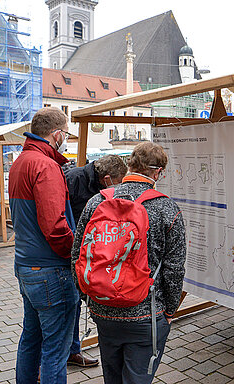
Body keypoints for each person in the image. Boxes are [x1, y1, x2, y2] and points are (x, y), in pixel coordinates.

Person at [71, 142, 186, 383]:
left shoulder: (96, 202)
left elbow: (77, 256)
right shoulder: (166, 208)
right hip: (146, 313)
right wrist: (169, 310)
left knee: (111, 377)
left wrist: (90, 297)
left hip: (103, 310)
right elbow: (174, 268)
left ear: (130, 165)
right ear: (158, 173)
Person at [9, 107, 78, 384]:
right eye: (67, 134)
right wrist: (76, 254)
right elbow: (56, 227)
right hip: (51, 270)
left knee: (31, 339)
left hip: (26, 266)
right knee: (55, 351)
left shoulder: (21, 160)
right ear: (57, 134)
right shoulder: (45, 166)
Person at [64, 154, 127, 367]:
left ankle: (73, 351)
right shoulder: (73, 179)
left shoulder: (101, 183)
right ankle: (63, 353)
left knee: (76, 304)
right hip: (71, 251)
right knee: (70, 303)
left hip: (93, 252)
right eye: (118, 182)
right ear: (107, 178)